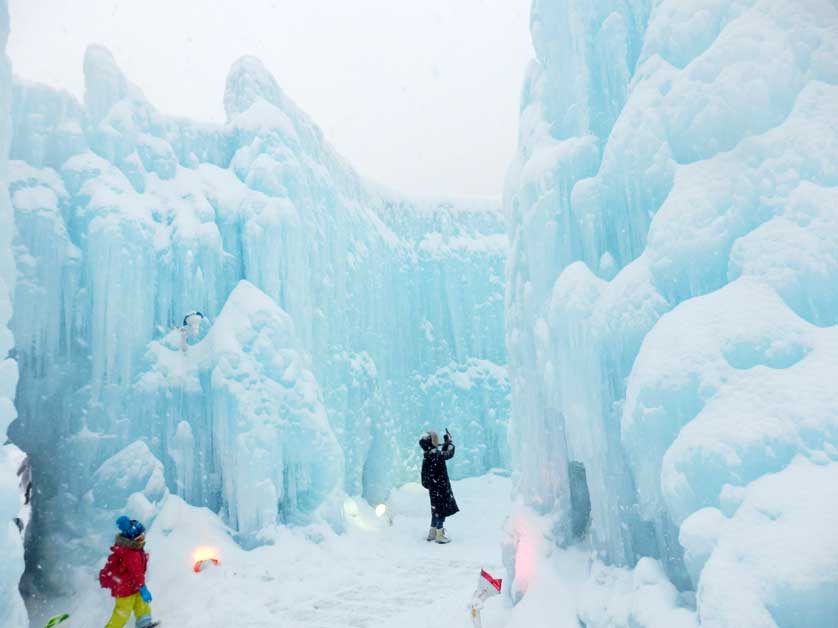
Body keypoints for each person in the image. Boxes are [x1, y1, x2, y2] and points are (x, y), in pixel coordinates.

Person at [99, 516, 159, 628]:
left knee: (142, 603)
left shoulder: (134, 550)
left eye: (143, 536)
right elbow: (136, 573)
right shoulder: (132, 553)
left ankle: (144, 624)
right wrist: (143, 588)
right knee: (122, 613)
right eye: (140, 538)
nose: (143, 539)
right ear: (133, 540)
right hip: (125, 588)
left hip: (132, 585)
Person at [419, 428, 459, 544]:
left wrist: (445, 444)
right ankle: (440, 534)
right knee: (441, 511)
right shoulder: (435, 454)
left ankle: (432, 532)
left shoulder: (428, 455)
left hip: (434, 488)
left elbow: (442, 454)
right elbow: (448, 454)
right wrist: (450, 443)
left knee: (435, 510)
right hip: (441, 488)